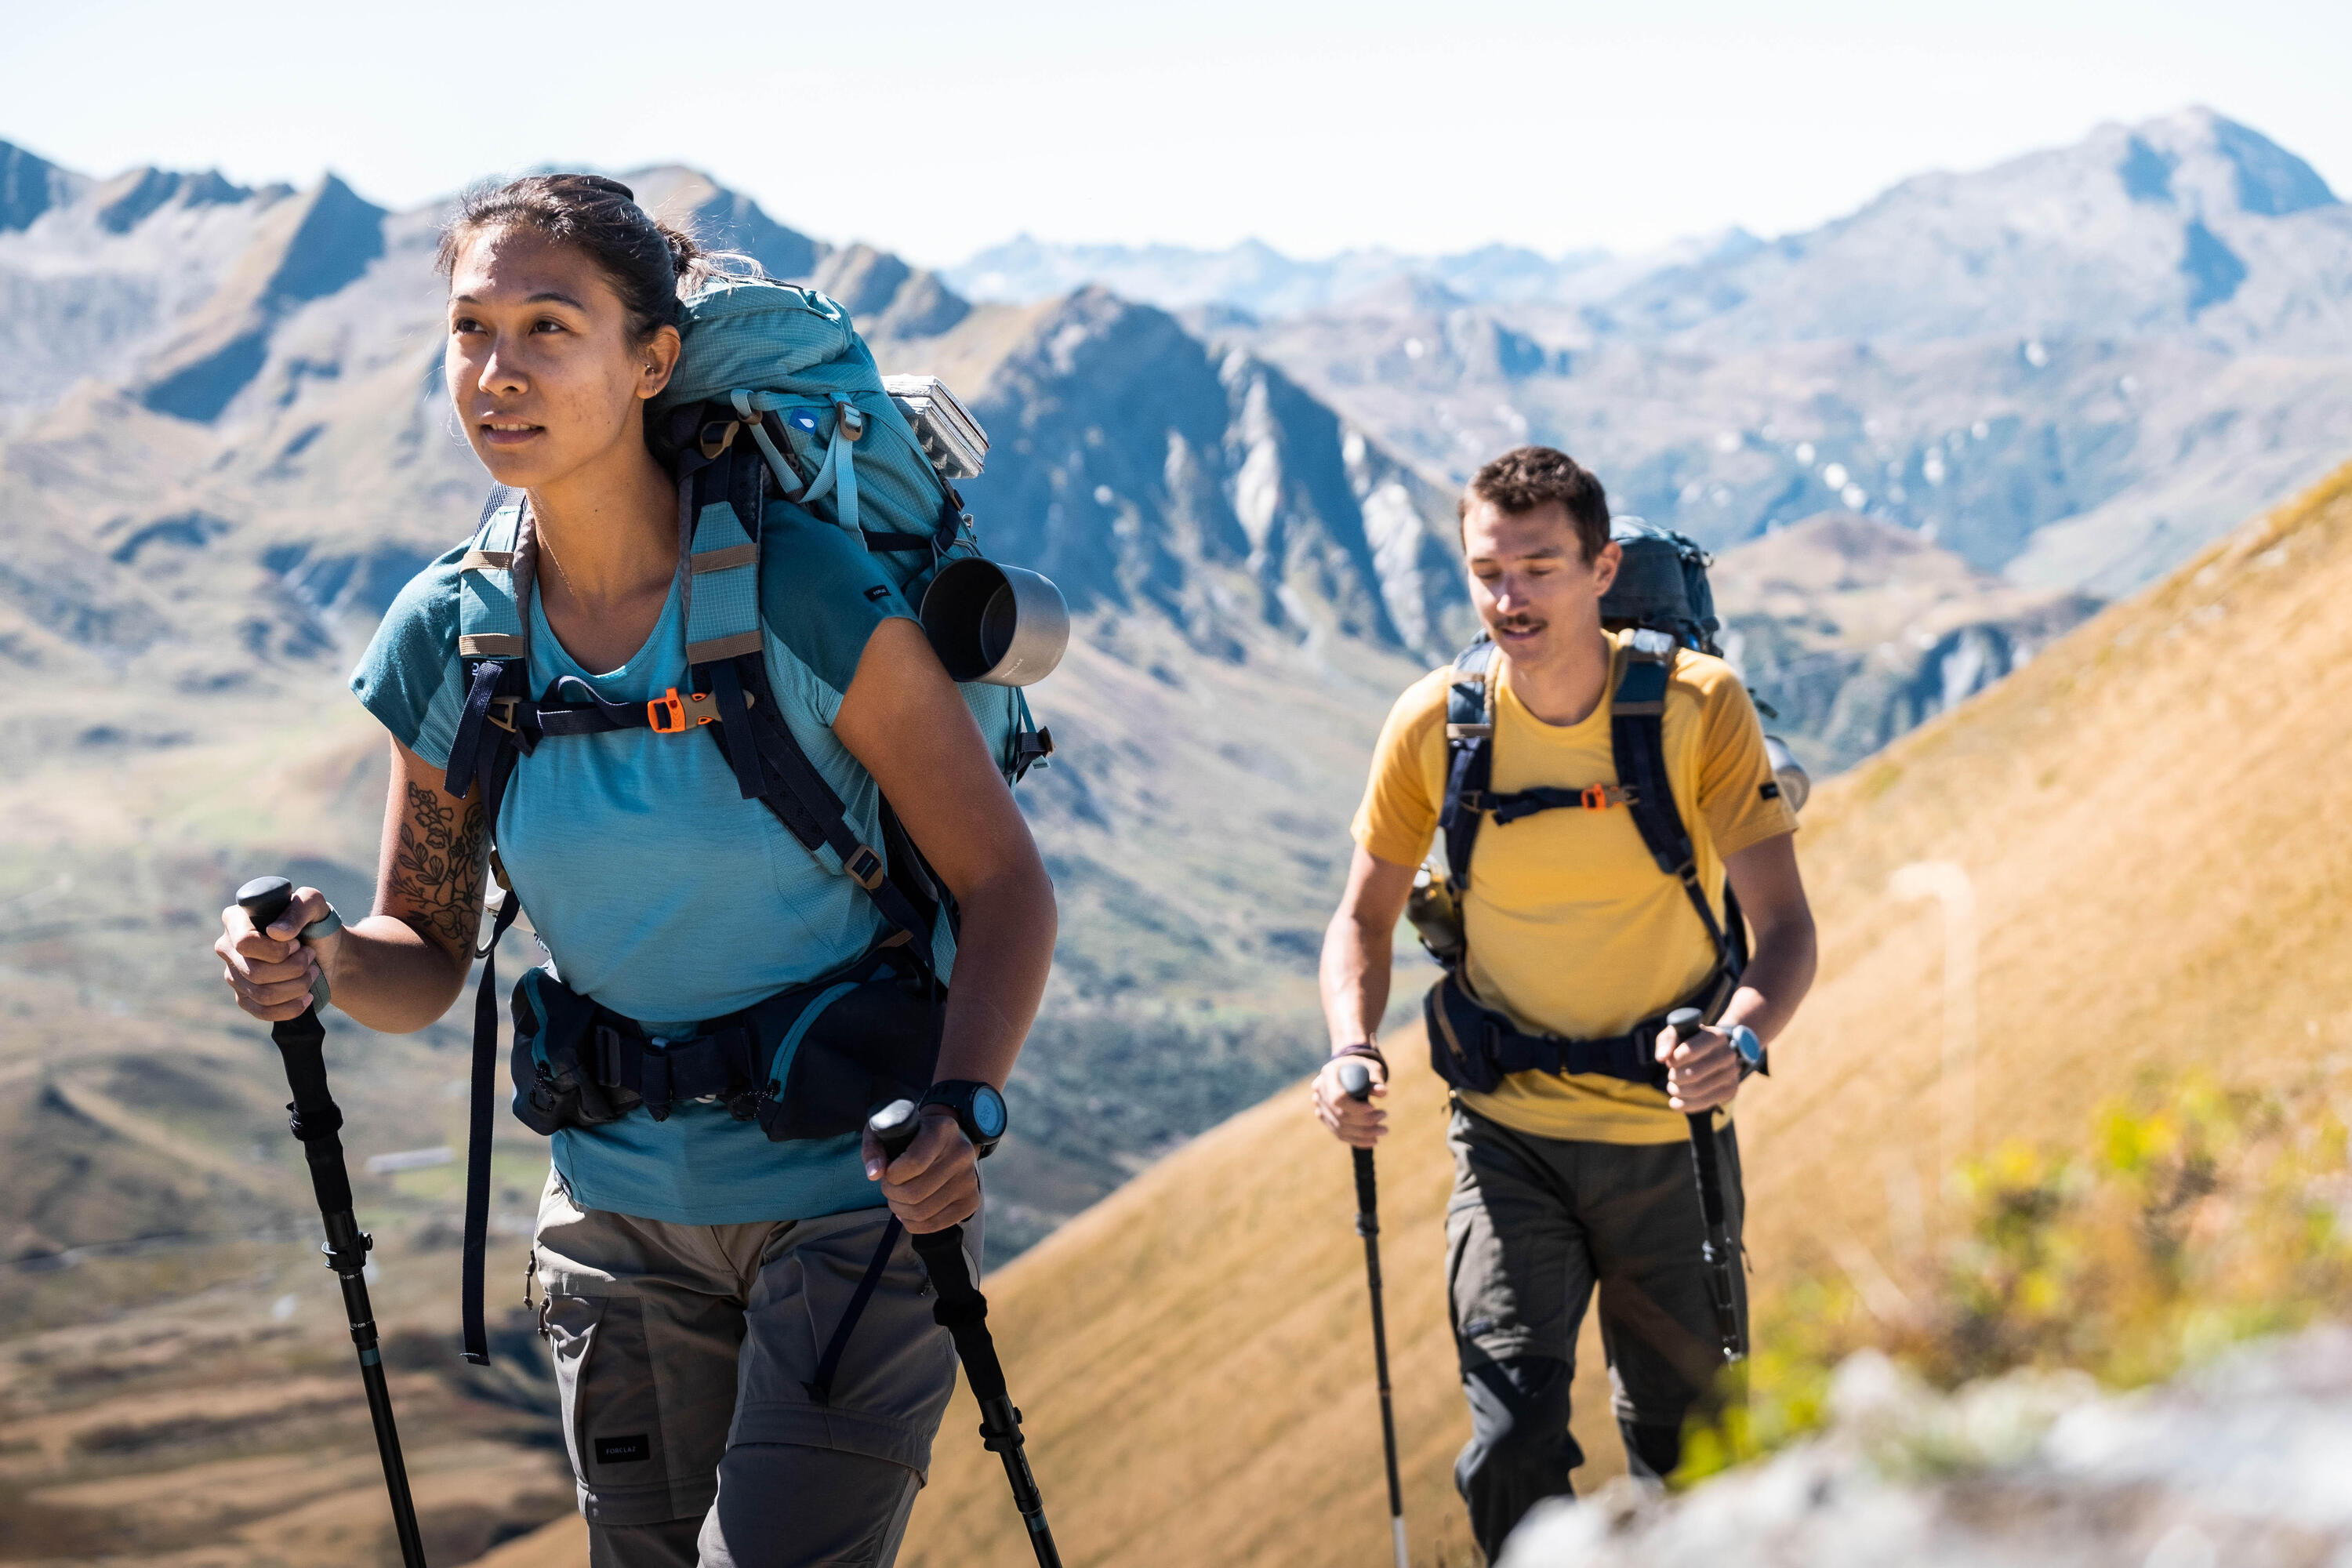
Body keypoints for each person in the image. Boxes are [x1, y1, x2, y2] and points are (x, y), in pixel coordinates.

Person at [214, 175, 1057, 1568]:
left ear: (651, 359)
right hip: (612, 1228)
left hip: (849, 1209)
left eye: (552, 326)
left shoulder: (799, 591)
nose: (499, 370)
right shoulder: (456, 635)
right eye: (472, 327)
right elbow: (421, 957)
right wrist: (314, 958)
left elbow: (1003, 884)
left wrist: (965, 1105)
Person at [1310, 446, 1817, 1556]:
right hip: (1506, 1143)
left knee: (1692, 1459)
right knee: (1510, 1446)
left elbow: (1784, 930)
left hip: (1668, 1140)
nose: (1510, 598)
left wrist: (1741, 1039)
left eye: (1540, 568)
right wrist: (1352, 1048)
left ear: (1603, 568)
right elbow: (1360, 917)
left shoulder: (1699, 711)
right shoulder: (1435, 725)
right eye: (1489, 572)